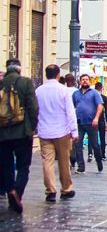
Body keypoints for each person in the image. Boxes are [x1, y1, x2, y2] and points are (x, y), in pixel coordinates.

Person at [0, 59, 39, 214]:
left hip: (2, 133)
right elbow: (33, 107)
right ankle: (17, 192)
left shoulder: (1, 83)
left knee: (6, 165)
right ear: (19, 69)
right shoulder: (26, 83)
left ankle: (10, 191)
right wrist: (32, 128)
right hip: (23, 132)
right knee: (23, 166)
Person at [35, 65, 78, 202]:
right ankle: (66, 189)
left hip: (44, 131)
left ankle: (50, 190)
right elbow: (70, 112)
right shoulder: (63, 90)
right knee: (64, 161)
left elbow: (36, 111)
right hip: (61, 131)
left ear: (46, 74)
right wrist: (74, 131)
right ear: (58, 75)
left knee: (47, 162)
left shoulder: (39, 91)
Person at [72, 74, 104, 173]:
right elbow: (71, 107)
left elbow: (100, 106)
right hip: (79, 122)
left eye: (86, 79)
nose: (85, 81)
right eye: (83, 80)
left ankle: (99, 161)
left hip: (91, 122)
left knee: (94, 145)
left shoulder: (94, 93)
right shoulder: (75, 94)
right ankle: (81, 166)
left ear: (89, 81)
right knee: (78, 144)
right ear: (80, 81)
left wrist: (96, 118)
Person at [92, 82, 107, 162]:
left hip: (93, 119)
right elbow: (106, 111)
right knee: (102, 138)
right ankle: (102, 155)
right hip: (102, 120)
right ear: (102, 88)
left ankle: (90, 154)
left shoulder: (92, 97)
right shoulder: (104, 98)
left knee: (92, 137)